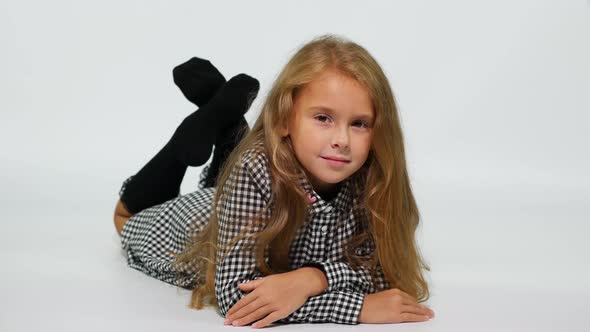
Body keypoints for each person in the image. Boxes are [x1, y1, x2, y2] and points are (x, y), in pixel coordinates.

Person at [113, 34, 434, 328]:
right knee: (126, 216)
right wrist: (357, 308)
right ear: (283, 120)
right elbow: (236, 299)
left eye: (360, 124)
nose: (342, 140)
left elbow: (380, 272)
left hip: (240, 207)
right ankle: (196, 129)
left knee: (234, 172)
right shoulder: (254, 169)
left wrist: (313, 278)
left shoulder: (371, 176)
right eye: (323, 118)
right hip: (186, 225)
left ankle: (227, 126)